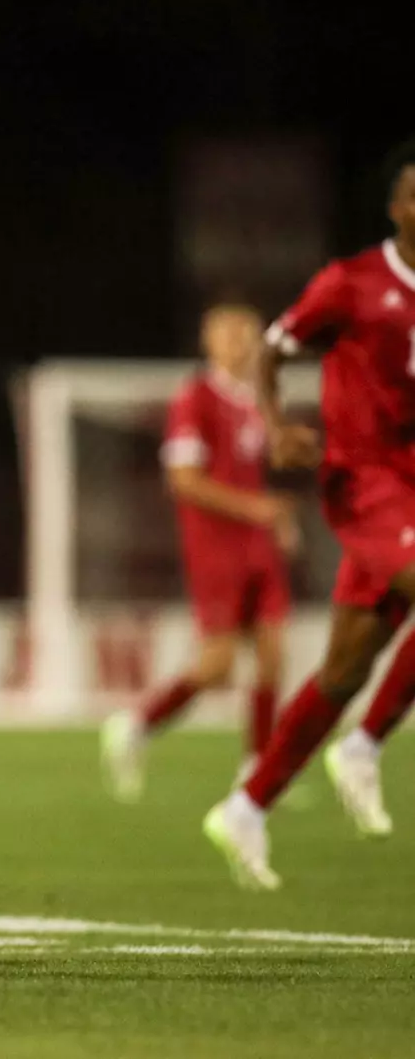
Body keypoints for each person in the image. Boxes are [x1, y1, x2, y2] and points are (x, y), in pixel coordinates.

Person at [204, 139, 415, 889]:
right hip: (365, 483)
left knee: (346, 664)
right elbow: (271, 349)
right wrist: (276, 421)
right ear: (397, 208)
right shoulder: (352, 284)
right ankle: (363, 747)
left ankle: (248, 806)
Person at [101, 302, 296, 802]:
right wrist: (256, 510)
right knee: (218, 666)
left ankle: (258, 772)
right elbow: (183, 481)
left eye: (247, 333)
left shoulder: (256, 400)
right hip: (216, 548)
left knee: (274, 654)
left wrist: (277, 520)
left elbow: (257, 477)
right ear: (208, 342)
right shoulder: (195, 399)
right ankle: (137, 726)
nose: (239, 342)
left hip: (257, 547)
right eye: (228, 333)